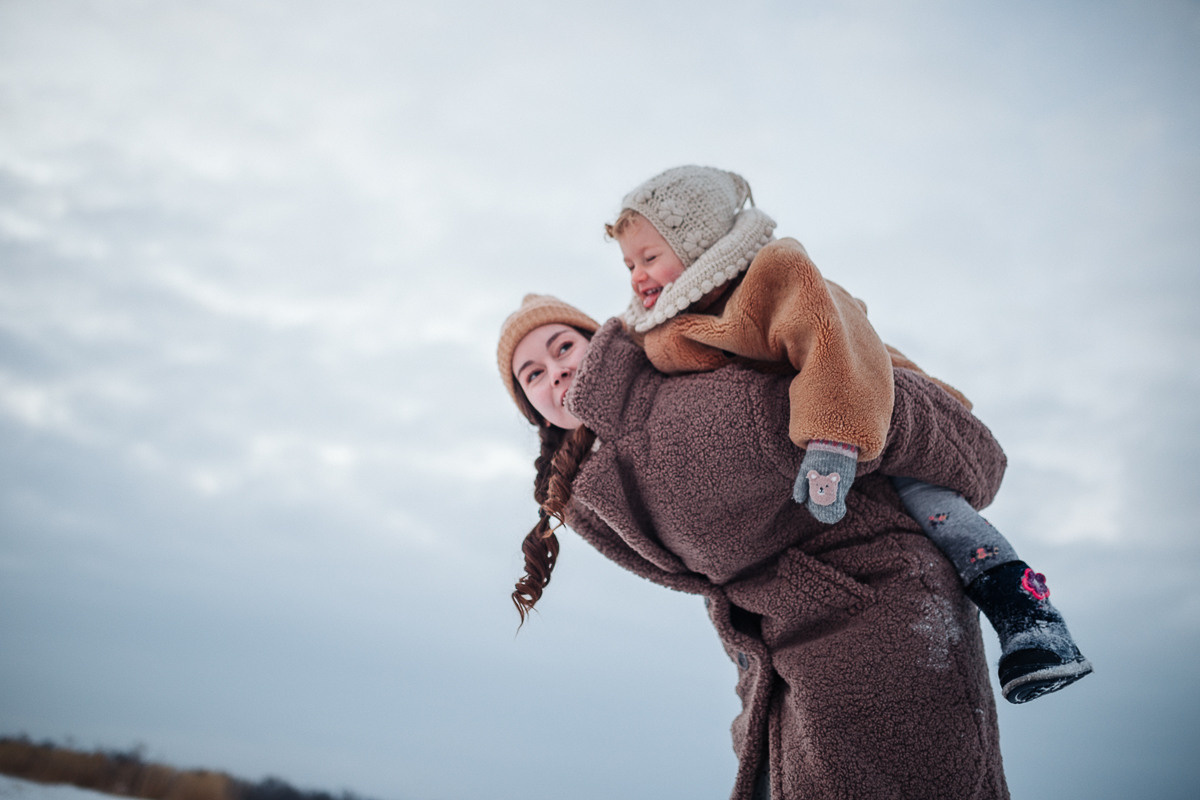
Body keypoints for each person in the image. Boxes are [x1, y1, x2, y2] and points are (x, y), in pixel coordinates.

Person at [604, 165, 1091, 703]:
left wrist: (833, 437)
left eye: (650, 258)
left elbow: (828, 338)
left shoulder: (773, 276)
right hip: (819, 448)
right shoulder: (667, 322)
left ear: (700, 246)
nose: (636, 276)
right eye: (629, 263)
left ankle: (1028, 617)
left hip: (870, 395)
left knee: (934, 507)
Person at [497, 293, 1011, 799]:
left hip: (881, 628)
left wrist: (971, 460)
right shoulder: (587, 496)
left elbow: (854, 402)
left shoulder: (694, 406)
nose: (555, 371)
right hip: (779, 680)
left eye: (563, 347)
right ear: (535, 414)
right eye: (533, 374)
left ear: (604, 347)